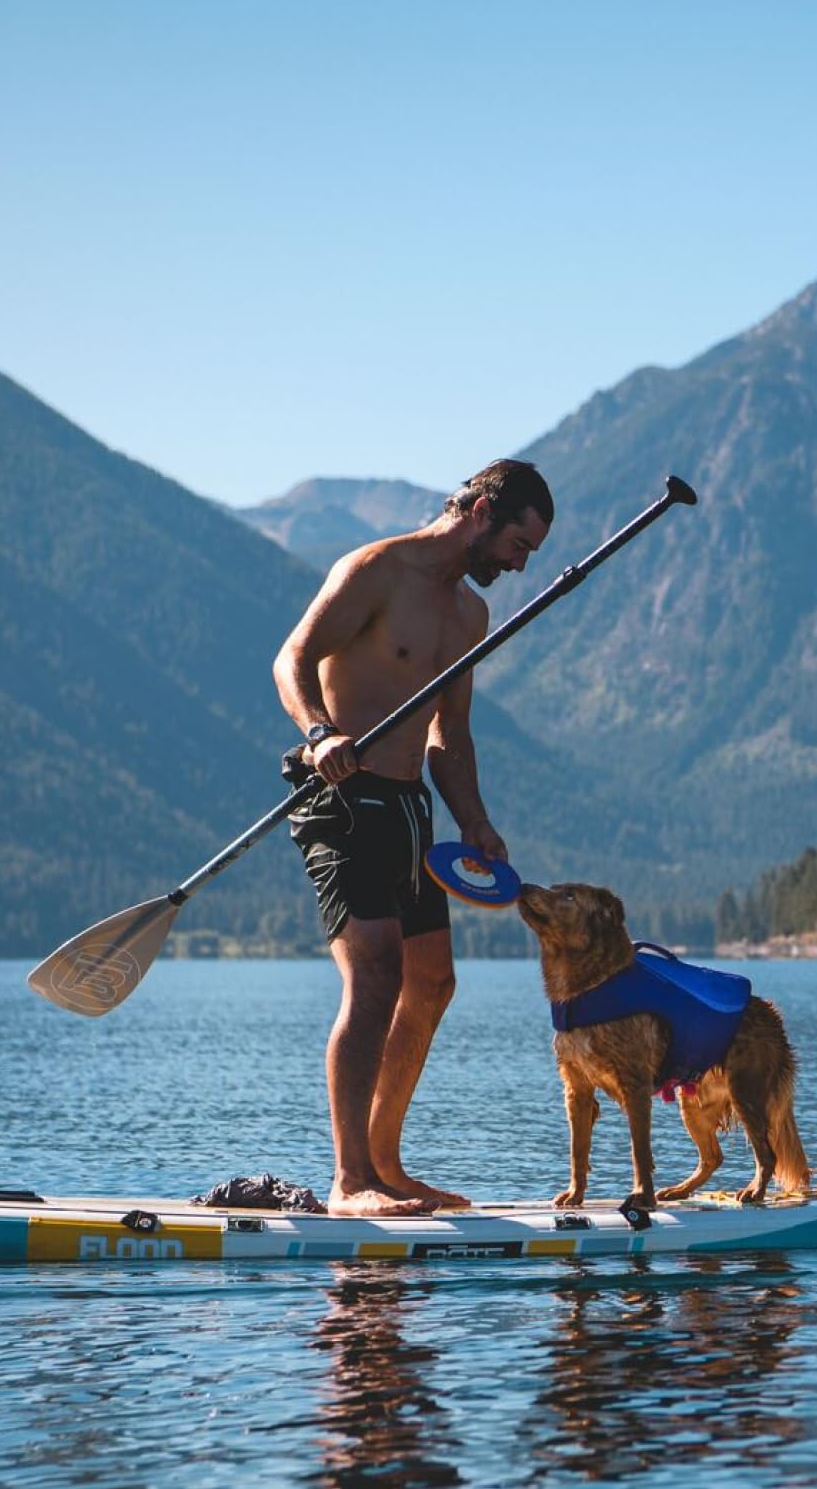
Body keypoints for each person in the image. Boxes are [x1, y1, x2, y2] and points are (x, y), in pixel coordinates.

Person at [273, 458, 553, 1217]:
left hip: (408, 807)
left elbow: (449, 735)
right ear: (484, 509)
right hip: (340, 796)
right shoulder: (375, 571)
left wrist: (476, 820)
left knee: (432, 980)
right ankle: (349, 1179)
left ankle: (386, 1167)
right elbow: (290, 657)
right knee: (375, 977)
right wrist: (321, 731)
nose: (520, 563)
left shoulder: (469, 616)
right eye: (519, 544)